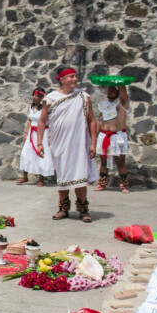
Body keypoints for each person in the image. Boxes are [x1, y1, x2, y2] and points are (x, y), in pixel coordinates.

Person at [37, 67, 98, 222]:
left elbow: (92, 120)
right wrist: (39, 143)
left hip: (78, 143)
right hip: (59, 143)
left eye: (75, 76)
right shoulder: (51, 98)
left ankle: (83, 209)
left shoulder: (83, 97)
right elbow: (42, 121)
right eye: (71, 76)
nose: (74, 79)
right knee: (63, 175)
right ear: (62, 79)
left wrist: (93, 144)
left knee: (80, 175)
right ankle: (63, 208)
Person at [95, 85, 131, 193]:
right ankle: (102, 184)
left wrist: (122, 85)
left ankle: (124, 185)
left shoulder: (122, 104)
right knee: (103, 161)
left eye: (112, 89)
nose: (110, 91)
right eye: (109, 89)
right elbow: (99, 121)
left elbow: (124, 95)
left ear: (117, 91)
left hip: (117, 136)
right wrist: (93, 137)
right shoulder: (103, 105)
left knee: (120, 161)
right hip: (104, 135)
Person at [17, 87, 54, 186]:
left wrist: (49, 136)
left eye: (37, 95)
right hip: (31, 133)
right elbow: (30, 120)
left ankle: (41, 178)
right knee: (26, 153)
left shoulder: (46, 109)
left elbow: (48, 122)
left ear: (41, 96)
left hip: (42, 133)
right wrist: (26, 133)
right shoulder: (31, 106)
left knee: (41, 154)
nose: (34, 97)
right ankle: (25, 176)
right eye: (34, 95)